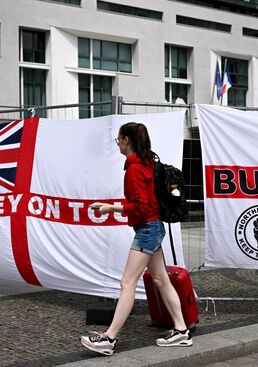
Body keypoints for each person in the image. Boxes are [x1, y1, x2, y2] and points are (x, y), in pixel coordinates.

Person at [80, 122, 193, 356]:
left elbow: (141, 207)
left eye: (119, 139)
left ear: (127, 140)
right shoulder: (147, 162)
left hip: (147, 230)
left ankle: (109, 338)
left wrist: (110, 208)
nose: (118, 144)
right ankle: (181, 332)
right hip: (154, 227)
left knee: (127, 283)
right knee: (161, 281)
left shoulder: (134, 169)